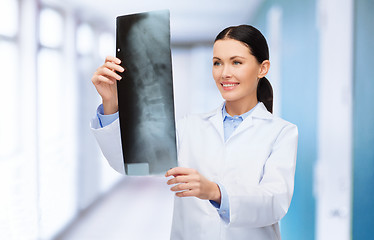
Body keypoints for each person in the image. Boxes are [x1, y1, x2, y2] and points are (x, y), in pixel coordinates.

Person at [90, 25, 298, 240]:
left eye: (236, 62)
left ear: (262, 68)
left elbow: (274, 202)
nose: (224, 73)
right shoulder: (189, 127)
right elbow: (129, 161)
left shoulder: (282, 133)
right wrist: (110, 103)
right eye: (217, 63)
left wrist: (215, 192)